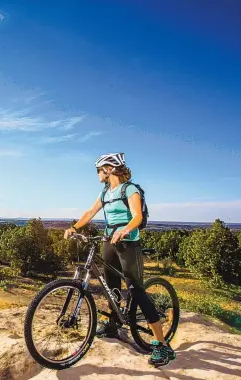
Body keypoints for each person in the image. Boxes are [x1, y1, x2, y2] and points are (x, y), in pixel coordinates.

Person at [63, 152, 176, 367]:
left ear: (109, 169)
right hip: (109, 241)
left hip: (128, 243)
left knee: (136, 290)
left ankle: (162, 345)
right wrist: (75, 227)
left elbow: (137, 217)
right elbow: (90, 212)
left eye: (99, 170)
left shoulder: (130, 189)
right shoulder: (106, 191)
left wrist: (124, 231)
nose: (97, 173)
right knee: (111, 286)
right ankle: (114, 325)